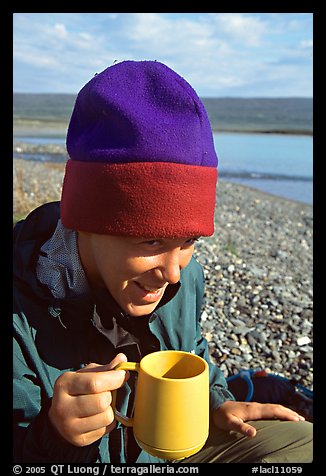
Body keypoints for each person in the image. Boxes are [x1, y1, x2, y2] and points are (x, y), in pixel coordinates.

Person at [13, 60, 313, 464]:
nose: (173, 272)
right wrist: (54, 438)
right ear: (87, 220)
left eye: (189, 240)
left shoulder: (185, 277)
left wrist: (216, 402)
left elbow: (193, 350)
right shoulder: (19, 309)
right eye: (150, 240)